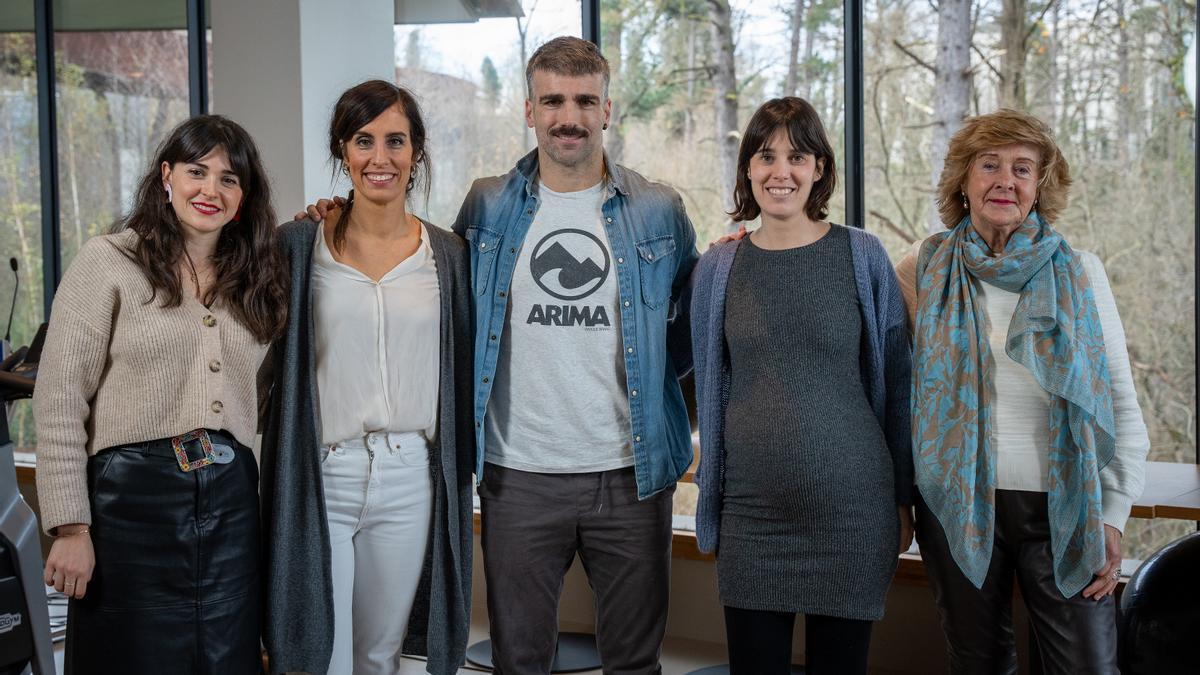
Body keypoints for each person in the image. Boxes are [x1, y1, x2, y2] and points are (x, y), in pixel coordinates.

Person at [894, 108, 1150, 674]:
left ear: (1040, 186)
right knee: (978, 664)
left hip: (1065, 506)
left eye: (1023, 168)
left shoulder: (1081, 272)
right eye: (989, 165)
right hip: (955, 503)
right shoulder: (926, 266)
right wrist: (746, 239)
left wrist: (1113, 514)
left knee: (1088, 666)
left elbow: (1123, 409)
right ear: (963, 179)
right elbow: (866, 351)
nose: (1005, 180)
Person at [34, 115, 287, 674]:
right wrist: (71, 527)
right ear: (167, 176)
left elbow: (264, 395)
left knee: (225, 659)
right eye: (197, 172)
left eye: (229, 179)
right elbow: (58, 399)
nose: (210, 190)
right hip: (129, 506)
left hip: (230, 503)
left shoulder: (259, 279)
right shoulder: (108, 262)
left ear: (244, 196)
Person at [689, 97, 913, 675]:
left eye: (797, 156)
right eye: (765, 156)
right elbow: (703, 384)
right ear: (747, 170)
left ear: (819, 169)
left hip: (852, 516)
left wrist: (903, 499)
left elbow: (898, 381)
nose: (780, 171)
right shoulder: (717, 269)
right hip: (752, 518)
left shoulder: (862, 256)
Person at [259, 79, 473, 675]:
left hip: (411, 474)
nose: (380, 158)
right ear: (342, 151)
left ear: (417, 152)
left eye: (395, 141)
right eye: (363, 140)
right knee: (314, 656)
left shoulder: (449, 255)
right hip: (324, 470)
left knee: (381, 655)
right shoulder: (299, 245)